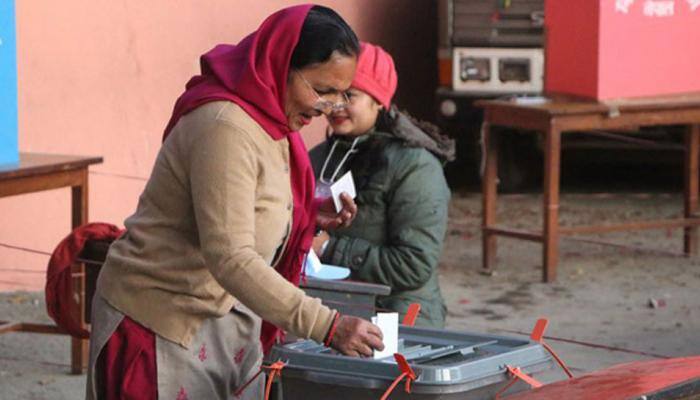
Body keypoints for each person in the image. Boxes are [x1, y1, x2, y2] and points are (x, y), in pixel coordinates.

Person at [86, 6, 384, 400]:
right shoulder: (225, 126)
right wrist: (327, 325)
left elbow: (243, 196)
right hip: (164, 322)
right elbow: (230, 255)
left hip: (225, 322)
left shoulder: (273, 119)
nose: (328, 107)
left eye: (340, 93)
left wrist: (303, 213)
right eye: (321, 90)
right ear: (280, 65)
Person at [310, 43, 455, 329]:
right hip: (328, 315)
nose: (335, 105)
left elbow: (414, 264)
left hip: (397, 321)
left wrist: (328, 249)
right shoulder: (317, 157)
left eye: (349, 95)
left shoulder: (415, 165)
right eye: (329, 93)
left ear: (379, 100)